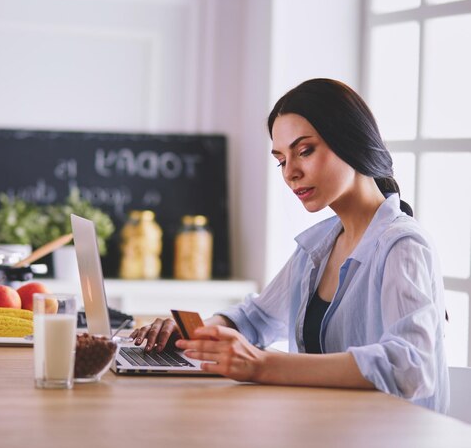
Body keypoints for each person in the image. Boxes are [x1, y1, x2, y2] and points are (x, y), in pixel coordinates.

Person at [130, 78, 449, 413]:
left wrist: (263, 365)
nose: (290, 173)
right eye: (281, 160)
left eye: (305, 151)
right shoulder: (319, 247)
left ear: (351, 142)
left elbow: (411, 366)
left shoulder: (403, 245)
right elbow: (256, 318)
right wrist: (190, 333)